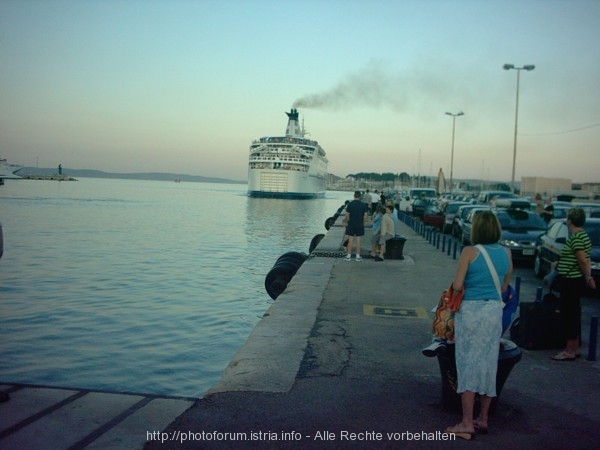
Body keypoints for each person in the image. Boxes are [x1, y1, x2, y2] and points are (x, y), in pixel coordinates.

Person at [445, 210, 513, 439]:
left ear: (476, 229)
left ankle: (466, 423)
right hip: (493, 312)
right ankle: (483, 419)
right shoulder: (506, 252)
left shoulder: (469, 252)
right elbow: (504, 287)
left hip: (472, 313)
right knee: (488, 363)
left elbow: (457, 284)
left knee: (467, 363)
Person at [551, 208, 596, 361]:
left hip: (571, 280)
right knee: (574, 313)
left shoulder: (576, 238)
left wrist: (587, 277)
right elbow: (586, 259)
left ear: (569, 220)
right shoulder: (584, 236)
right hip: (575, 280)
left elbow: (582, 260)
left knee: (569, 314)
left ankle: (569, 350)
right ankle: (575, 347)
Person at [344, 191, 369, 261]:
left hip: (351, 224)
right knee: (358, 240)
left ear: (354, 196)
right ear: (360, 197)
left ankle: (348, 256)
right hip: (360, 224)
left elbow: (347, 214)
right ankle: (358, 256)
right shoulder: (363, 205)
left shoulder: (350, 204)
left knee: (350, 240)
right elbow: (365, 216)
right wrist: (363, 222)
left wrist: (348, 221)